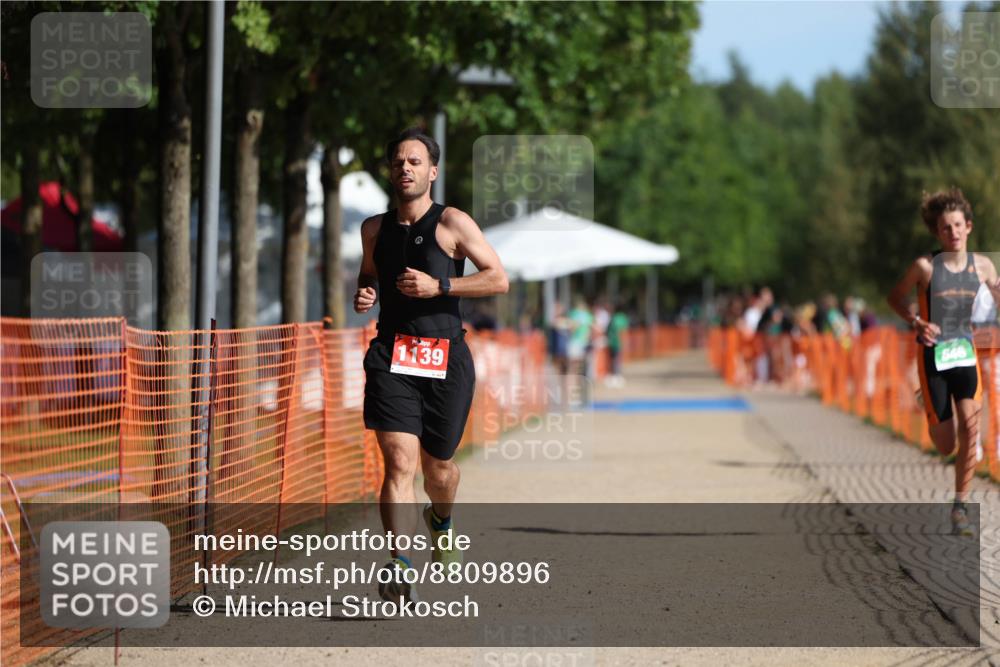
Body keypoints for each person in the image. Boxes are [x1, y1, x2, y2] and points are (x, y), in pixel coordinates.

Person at [354, 128, 509, 600]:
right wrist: (365, 292)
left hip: (446, 358)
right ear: (390, 171)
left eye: (415, 162)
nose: (406, 168)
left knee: (438, 468)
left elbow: (498, 279)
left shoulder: (453, 224)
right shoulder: (373, 229)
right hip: (392, 355)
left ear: (432, 172)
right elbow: (369, 274)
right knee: (398, 461)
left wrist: (440, 288)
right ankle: (399, 562)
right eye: (399, 161)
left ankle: (441, 520)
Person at [886, 188, 1000, 537]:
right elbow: (894, 298)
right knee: (946, 444)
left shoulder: (983, 265)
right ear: (937, 232)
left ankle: (960, 507)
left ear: (968, 227)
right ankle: (928, 400)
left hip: (965, 354)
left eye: (957, 225)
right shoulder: (924, 267)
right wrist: (915, 320)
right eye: (944, 228)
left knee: (971, 425)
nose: (952, 232)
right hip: (933, 357)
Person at [605, 303, 629, 387]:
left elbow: (608, 330)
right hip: (617, 342)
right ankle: (616, 376)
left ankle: (614, 375)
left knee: (612, 359)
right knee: (617, 359)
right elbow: (623, 331)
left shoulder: (613, 317)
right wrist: (624, 342)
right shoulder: (622, 318)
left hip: (611, 342)